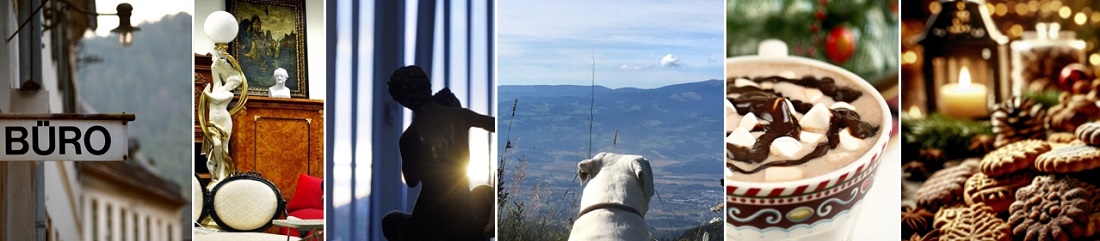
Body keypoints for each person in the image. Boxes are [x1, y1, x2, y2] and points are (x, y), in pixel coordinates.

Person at [382, 65, 496, 241]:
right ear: (427, 86)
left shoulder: (409, 136)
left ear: (403, 101)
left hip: (431, 218)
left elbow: (412, 180)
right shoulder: (460, 116)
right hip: (466, 213)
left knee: (390, 221)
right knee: (484, 195)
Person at [202, 54, 242, 188]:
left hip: (225, 121)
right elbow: (214, 68)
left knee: (224, 147)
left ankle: (223, 172)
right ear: (228, 79)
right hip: (213, 121)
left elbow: (216, 100)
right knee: (217, 145)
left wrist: (206, 93)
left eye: (235, 84)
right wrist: (219, 56)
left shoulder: (229, 94)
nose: (232, 85)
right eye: (232, 82)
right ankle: (216, 171)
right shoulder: (217, 86)